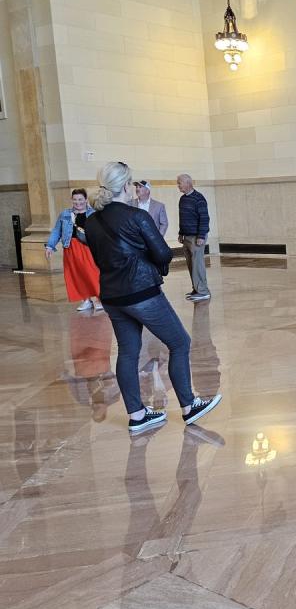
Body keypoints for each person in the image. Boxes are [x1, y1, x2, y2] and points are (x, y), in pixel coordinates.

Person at [84, 162, 222, 434]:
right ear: (126, 186)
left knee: (128, 351)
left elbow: (100, 259)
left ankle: (137, 415)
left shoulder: (92, 221)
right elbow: (163, 254)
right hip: (142, 293)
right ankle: (189, 405)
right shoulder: (136, 216)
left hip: (112, 296)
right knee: (179, 342)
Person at [44, 188, 102, 312]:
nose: (78, 202)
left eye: (80, 199)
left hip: (88, 248)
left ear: (86, 199)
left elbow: (100, 232)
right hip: (70, 248)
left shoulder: (93, 214)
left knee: (92, 273)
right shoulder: (65, 214)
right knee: (76, 275)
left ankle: (98, 299)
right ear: (72, 200)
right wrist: (50, 246)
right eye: (75, 199)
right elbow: (56, 231)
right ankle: (86, 300)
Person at [176, 174, 211, 302]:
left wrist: (201, 236)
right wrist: (181, 233)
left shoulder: (199, 198)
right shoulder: (182, 199)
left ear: (188, 183)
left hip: (197, 236)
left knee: (197, 264)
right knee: (191, 264)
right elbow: (182, 218)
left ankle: (203, 291)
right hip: (187, 236)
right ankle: (196, 289)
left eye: (179, 183)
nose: (178, 185)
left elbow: (205, 219)